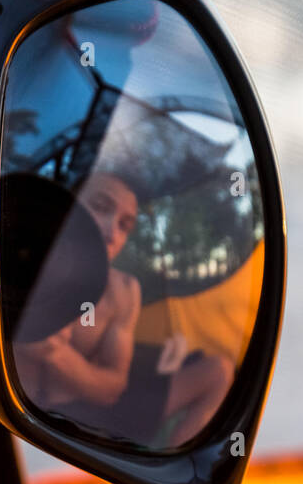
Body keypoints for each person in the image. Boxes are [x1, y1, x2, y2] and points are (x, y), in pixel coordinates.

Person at [13, 170, 233, 447]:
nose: (110, 232)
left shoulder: (125, 290)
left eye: (125, 225)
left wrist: (55, 355)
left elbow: (112, 389)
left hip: (91, 415)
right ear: (65, 205)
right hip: (19, 424)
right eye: (100, 206)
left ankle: (180, 472)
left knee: (219, 370)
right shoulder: (13, 260)